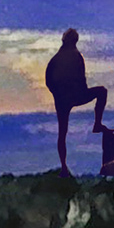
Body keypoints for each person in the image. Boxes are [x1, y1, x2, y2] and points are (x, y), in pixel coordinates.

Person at [44, 26, 93, 169]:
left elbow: (48, 80)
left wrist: (56, 93)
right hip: (74, 95)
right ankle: (97, 123)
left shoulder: (55, 59)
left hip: (61, 99)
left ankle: (63, 166)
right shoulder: (75, 56)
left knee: (62, 133)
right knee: (102, 92)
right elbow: (81, 78)